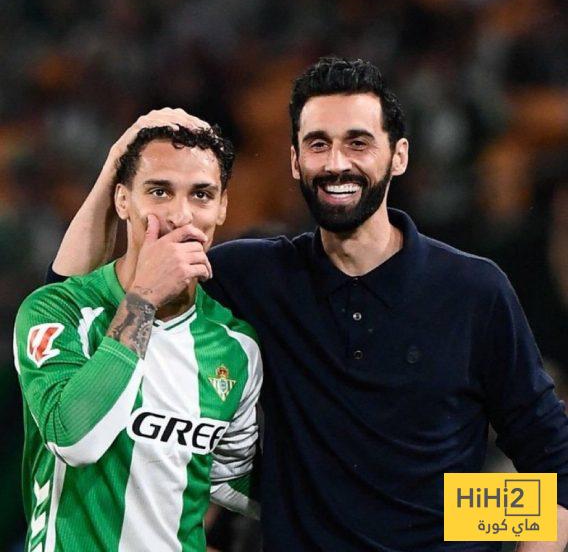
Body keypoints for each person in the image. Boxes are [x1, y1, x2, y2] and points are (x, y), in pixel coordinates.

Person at [48, 58, 568, 551]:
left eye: (358, 143)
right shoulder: (254, 277)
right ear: (295, 161)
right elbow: (69, 302)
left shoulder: (472, 290)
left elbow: (551, 457)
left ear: (399, 155)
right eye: (318, 144)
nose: (336, 163)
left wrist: (462, 515)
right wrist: (116, 164)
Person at [14, 125, 262, 552]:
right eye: (159, 192)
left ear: (222, 207)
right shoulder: (59, 312)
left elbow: (228, 480)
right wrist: (144, 297)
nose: (181, 215)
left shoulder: (236, 347)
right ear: (122, 200)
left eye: (201, 195)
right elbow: (74, 440)